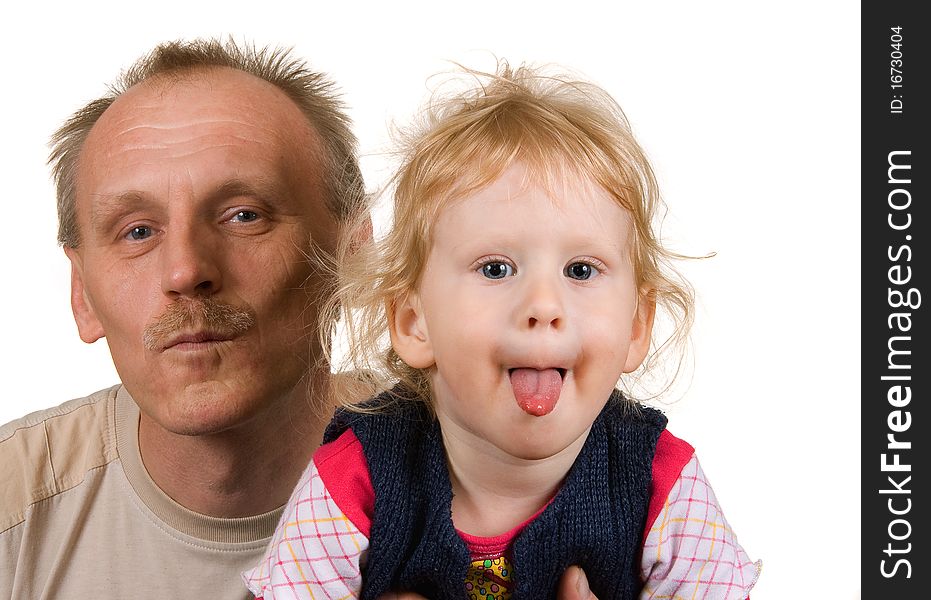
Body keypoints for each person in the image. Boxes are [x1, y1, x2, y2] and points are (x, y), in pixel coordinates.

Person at [243, 63, 761, 599]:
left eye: (581, 270)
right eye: (496, 269)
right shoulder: (356, 479)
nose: (543, 306)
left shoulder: (661, 484)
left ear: (636, 325)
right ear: (413, 321)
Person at [0, 38, 366, 598]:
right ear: (83, 295)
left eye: (244, 215)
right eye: (138, 231)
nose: (186, 269)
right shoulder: (12, 505)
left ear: (354, 257)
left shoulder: (495, 479)